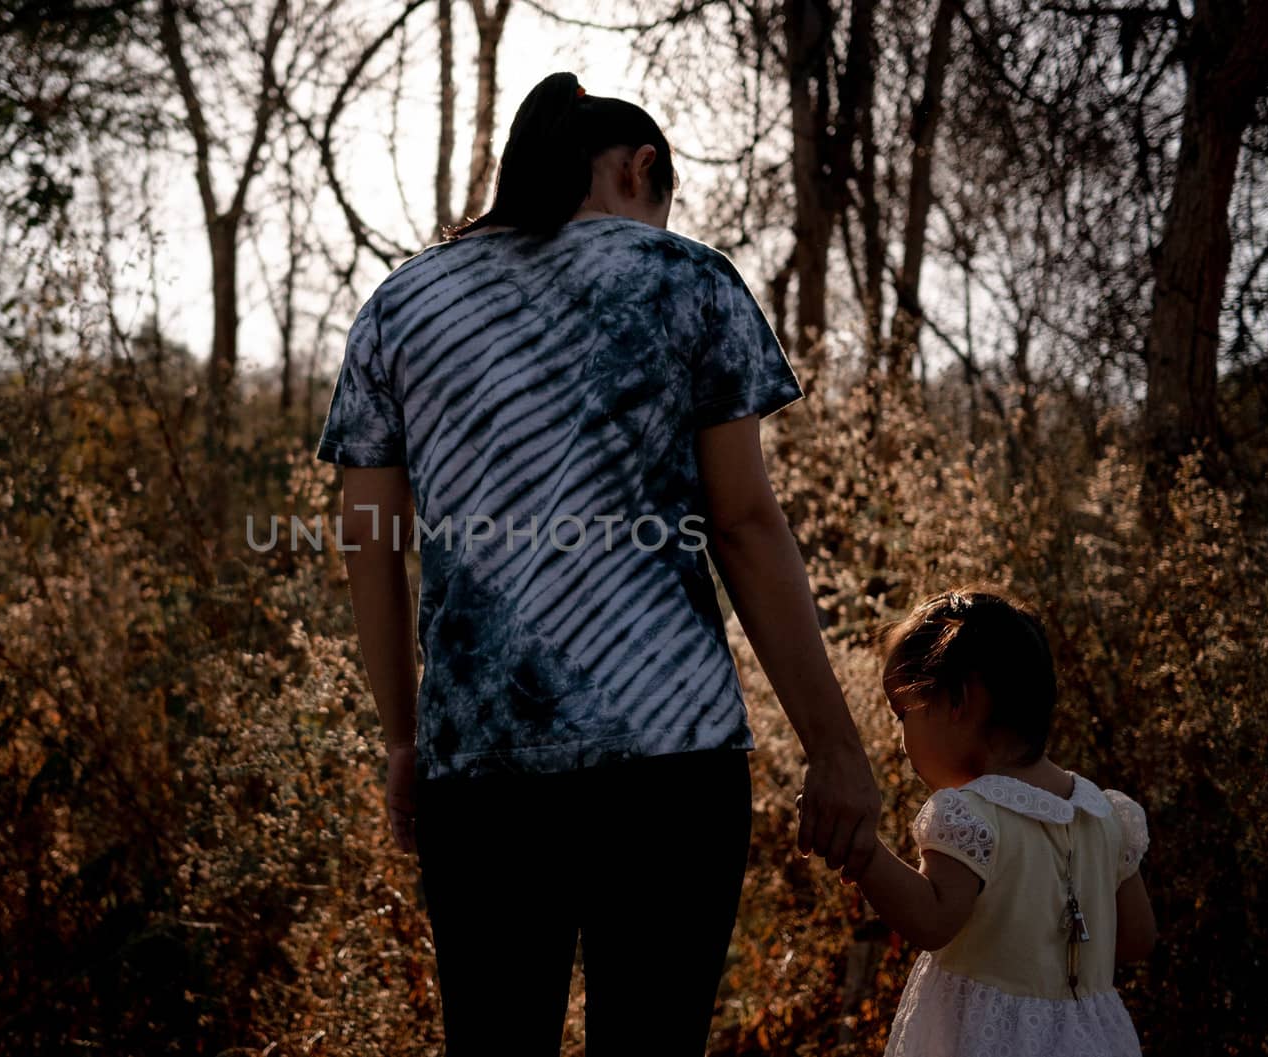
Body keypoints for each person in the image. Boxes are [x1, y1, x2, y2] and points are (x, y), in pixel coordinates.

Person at [314, 69, 880, 1056]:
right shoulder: (689, 279)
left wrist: (405, 740)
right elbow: (745, 524)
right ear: (638, 169)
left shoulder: (399, 306)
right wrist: (833, 744)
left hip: (482, 772)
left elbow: (369, 541)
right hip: (673, 773)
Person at [838, 588, 1157, 1057]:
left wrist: (863, 852)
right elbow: (1137, 939)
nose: (901, 741)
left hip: (988, 1039)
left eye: (901, 714)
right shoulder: (1106, 815)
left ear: (957, 700)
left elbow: (931, 920)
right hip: (1094, 1039)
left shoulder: (971, 814)